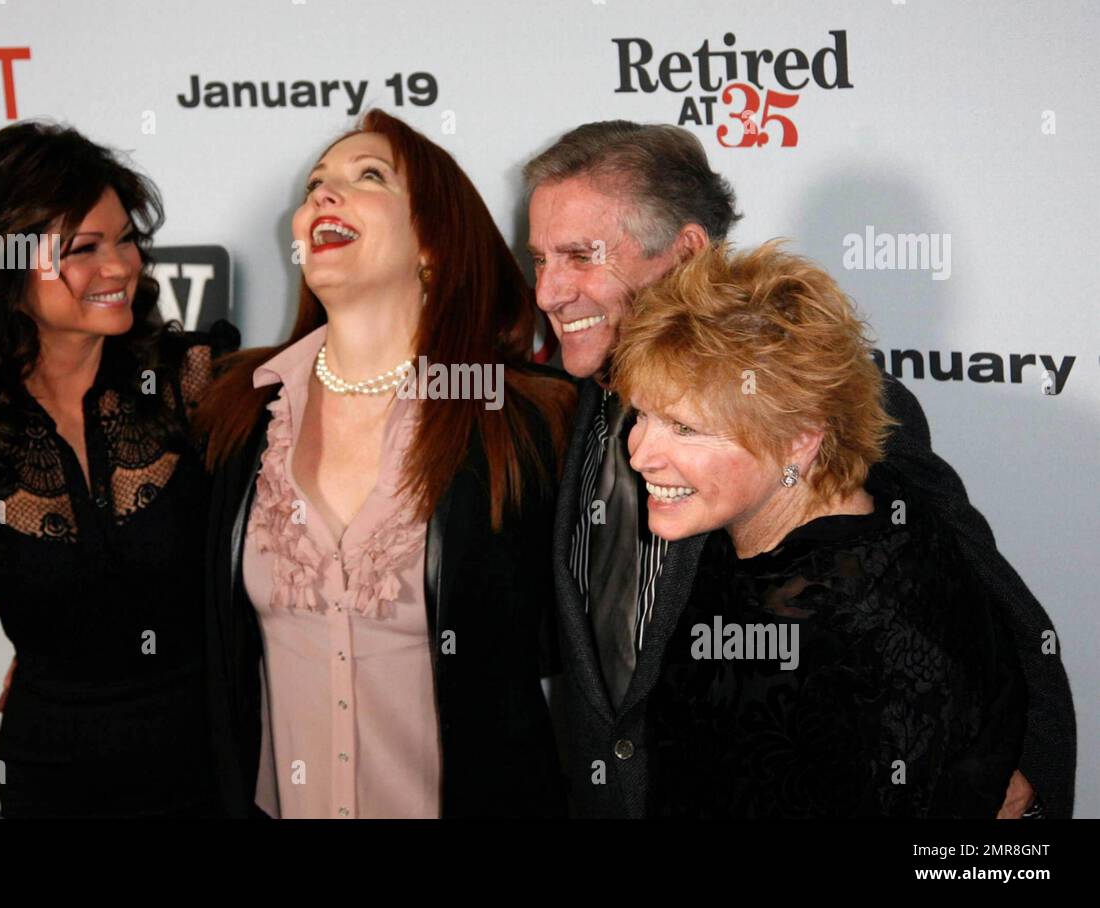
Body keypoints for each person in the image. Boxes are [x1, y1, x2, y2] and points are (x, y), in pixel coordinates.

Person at [524, 120, 1075, 818]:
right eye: (540, 258)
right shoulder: (570, 410)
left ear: (687, 250)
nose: (547, 292)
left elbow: (986, 604)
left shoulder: (811, 396)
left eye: (578, 255)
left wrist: (1014, 785)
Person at [195, 109, 575, 818]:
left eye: (367, 177)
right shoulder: (240, 411)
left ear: (433, 241)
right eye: (314, 186)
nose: (321, 199)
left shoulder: (522, 420)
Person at [0, 121, 237, 818]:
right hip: (55, 775)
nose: (121, 266)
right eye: (83, 249)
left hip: (220, 761)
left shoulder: (191, 381)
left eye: (126, 239)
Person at [611, 240, 1026, 816]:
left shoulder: (871, 629)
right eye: (642, 416)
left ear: (800, 440)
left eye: (684, 428)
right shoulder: (740, 542)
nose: (640, 456)